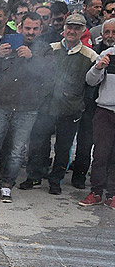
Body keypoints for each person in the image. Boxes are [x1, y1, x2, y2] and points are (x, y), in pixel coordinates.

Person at [0, 12, 48, 203]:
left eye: (34, 28)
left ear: (41, 29)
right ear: (19, 27)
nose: (30, 32)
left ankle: (6, 185)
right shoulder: (7, 43)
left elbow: (50, 74)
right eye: (27, 28)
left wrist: (32, 58)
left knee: (16, 151)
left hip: (27, 108)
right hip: (1, 105)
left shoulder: (45, 50)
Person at [21, 13, 98, 195]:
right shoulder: (51, 48)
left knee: (63, 148)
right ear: (64, 29)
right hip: (46, 106)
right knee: (38, 143)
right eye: (69, 27)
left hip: (70, 109)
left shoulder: (90, 55)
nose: (72, 31)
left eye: (77, 28)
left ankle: (55, 181)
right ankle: (34, 176)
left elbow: (92, 82)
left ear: (83, 31)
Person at [79, 19, 115, 209]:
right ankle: (96, 192)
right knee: (100, 154)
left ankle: (113, 194)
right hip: (104, 111)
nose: (110, 36)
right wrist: (99, 67)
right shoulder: (104, 54)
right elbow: (91, 81)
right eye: (106, 32)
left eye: (113, 32)